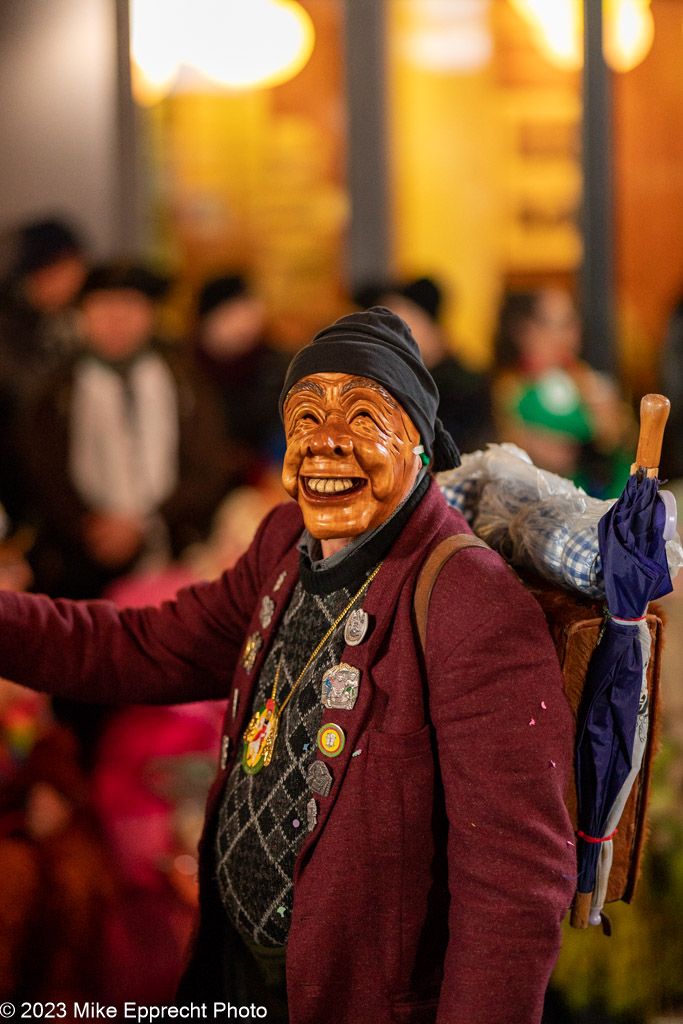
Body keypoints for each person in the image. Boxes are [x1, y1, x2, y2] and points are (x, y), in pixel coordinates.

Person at [0, 307, 575, 1023]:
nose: (324, 443)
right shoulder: (284, 540)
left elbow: (515, 885)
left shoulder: (468, 599)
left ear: (421, 446)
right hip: (233, 968)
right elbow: (139, 647)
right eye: (305, 418)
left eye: (362, 416)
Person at [24, 263, 231, 598]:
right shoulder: (55, 393)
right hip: (76, 561)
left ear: (151, 314)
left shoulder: (185, 383)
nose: (117, 321)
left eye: (130, 307)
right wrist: (88, 525)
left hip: (171, 554)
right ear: (82, 315)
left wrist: (147, 525)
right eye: (104, 307)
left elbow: (206, 465)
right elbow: (41, 472)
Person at [492, 288, 633, 497]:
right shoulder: (512, 389)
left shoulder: (584, 380)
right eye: (563, 325)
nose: (573, 336)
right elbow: (539, 452)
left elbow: (622, 436)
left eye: (575, 324)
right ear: (527, 331)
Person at [354, 275, 494, 453]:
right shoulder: (385, 383)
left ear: (430, 326)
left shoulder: (466, 387)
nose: (386, 338)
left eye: (397, 326)